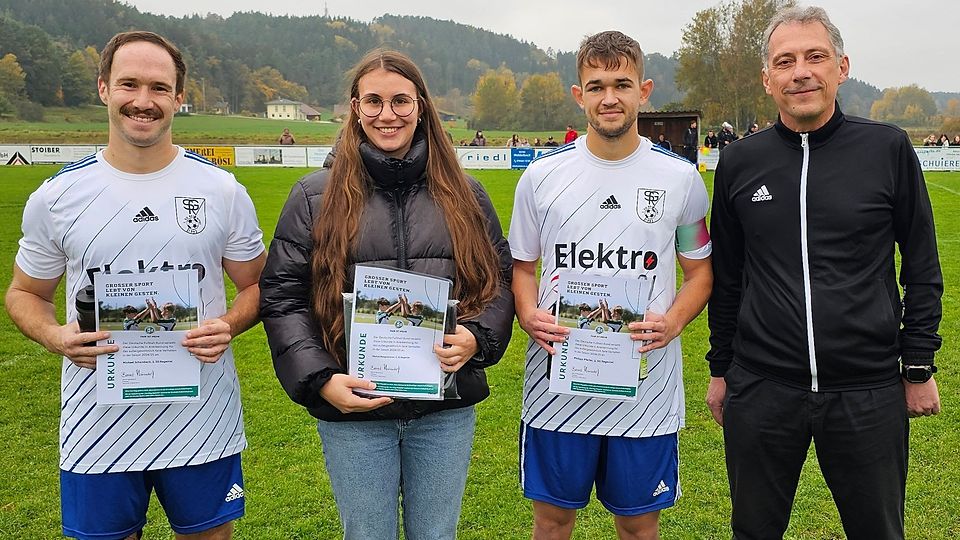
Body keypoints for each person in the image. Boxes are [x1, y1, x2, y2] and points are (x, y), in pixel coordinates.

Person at [5, 30, 266, 540]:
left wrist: (229, 326)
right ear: (104, 88)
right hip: (96, 425)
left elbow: (257, 286)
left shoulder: (220, 190)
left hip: (201, 423)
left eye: (159, 88)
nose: (143, 101)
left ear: (179, 98)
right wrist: (56, 336)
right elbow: (24, 293)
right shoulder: (57, 196)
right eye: (129, 84)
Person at [706, 6, 943, 539]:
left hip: (869, 388)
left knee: (878, 531)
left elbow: (923, 265)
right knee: (754, 531)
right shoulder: (741, 162)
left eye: (815, 56)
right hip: (763, 387)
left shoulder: (887, 148)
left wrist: (919, 362)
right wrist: (722, 369)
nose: (801, 72)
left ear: (842, 66)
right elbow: (728, 277)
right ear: (768, 79)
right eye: (785, 61)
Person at [259, 49, 514, 540]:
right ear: (354, 107)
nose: (387, 114)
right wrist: (320, 380)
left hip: (442, 411)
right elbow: (283, 296)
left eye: (400, 100)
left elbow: (497, 280)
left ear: (421, 106)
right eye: (373, 101)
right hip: (353, 409)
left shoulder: (467, 193)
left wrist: (476, 338)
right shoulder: (314, 195)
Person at [510, 30, 712, 540]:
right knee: (553, 522)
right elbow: (523, 267)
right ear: (579, 95)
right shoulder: (540, 179)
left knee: (639, 526)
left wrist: (674, 321)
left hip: (646, 392)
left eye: (621, 84)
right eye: (596, 86)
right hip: (557, 387)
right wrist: (529, 313)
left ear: (644, 91)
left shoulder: (681, 180)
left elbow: (700, 271)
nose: (609, 97)